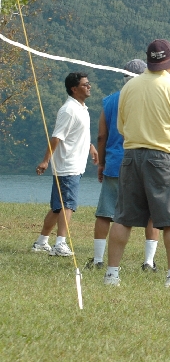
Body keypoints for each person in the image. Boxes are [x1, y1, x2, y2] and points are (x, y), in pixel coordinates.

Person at [104, 39, 170, 289]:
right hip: (165, 159)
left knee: (122, 218)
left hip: (131, 156)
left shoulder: (128, 88)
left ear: (148, 61)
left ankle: (111, 275)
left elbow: (121, 127)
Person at [86, 59, 161, 272]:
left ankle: (98, 260)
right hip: (144, 163)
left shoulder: (110, 101)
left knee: (106, 213)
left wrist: (101, 163)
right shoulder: (151, 99)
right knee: (151, 214)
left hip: (115, 163)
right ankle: (148, 262)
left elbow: (102, 136)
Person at [32, 72, 98, 256]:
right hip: (68, 166)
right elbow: (57, 137)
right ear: (74, 89)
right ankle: (60, 244)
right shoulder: (69, 110)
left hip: (74, 165)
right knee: (68, 205)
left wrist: (90, 147)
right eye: (85, 84)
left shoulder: (82, 108)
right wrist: (45, 160)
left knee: (57, 208)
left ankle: (41, 242)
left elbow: (77, 134)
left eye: (89, 83)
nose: (89, 86)